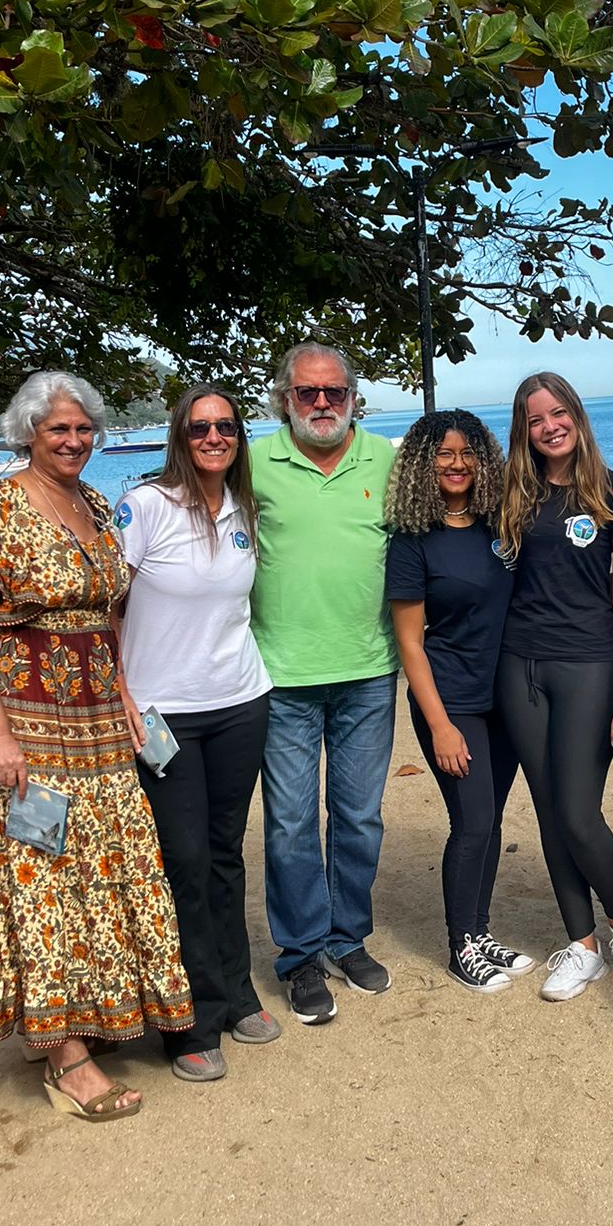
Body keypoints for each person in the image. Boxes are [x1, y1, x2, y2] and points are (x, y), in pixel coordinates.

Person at [0, 372, 193, 1122]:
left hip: (97, 727)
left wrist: (124, 701)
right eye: (59, 430)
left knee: (105, 871)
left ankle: (90, 1014)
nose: (75, 441)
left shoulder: (90, 505)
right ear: (29, 433)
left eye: (84, 430)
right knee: (43, 882)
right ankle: (66, 1059)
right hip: (29, 728)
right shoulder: (3, 504)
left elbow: (108, 617)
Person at [115, 386, 276, 1083]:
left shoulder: (245, 509)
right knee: (181, 860)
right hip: (162, 714)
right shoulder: (147, 506)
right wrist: (120, 694)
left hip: (241, 701)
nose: (215, 436)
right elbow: (102, 606)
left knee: (225, 853)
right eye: (201, 426)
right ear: (181, 435)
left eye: (227, 426)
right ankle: (189, 1018)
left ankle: (236, 990)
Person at [250, 342, 398, 1025]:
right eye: (306, 393)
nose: (320, 404)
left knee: (360, 820)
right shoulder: (251, 463)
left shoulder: (388, 461)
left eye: (333, 393)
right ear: (285, 398)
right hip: (280, 675)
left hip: (369, 671)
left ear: (352, 398)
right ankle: (301, 954)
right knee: (288, 827)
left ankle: (347, 937)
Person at [494, 373, 613, 1000]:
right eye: (535, 420)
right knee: (547, 809)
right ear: (524, 430)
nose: (549, 427)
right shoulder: (510, 492)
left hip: (589, 665)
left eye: (558, 413)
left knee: (578, 813)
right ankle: (581, 944)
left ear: (577, 417)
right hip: (520, 667)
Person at [385, 410, 533, 992]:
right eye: (443, 454)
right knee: (471, 822)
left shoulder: (498, 526)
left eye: (467, 452)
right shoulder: (412, 542)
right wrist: (441, 726)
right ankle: (460, 945)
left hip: (505, 701)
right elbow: (409, 644)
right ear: (424, 463)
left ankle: (481, 929)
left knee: (491, 821)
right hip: (451, 701)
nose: (456, 464)